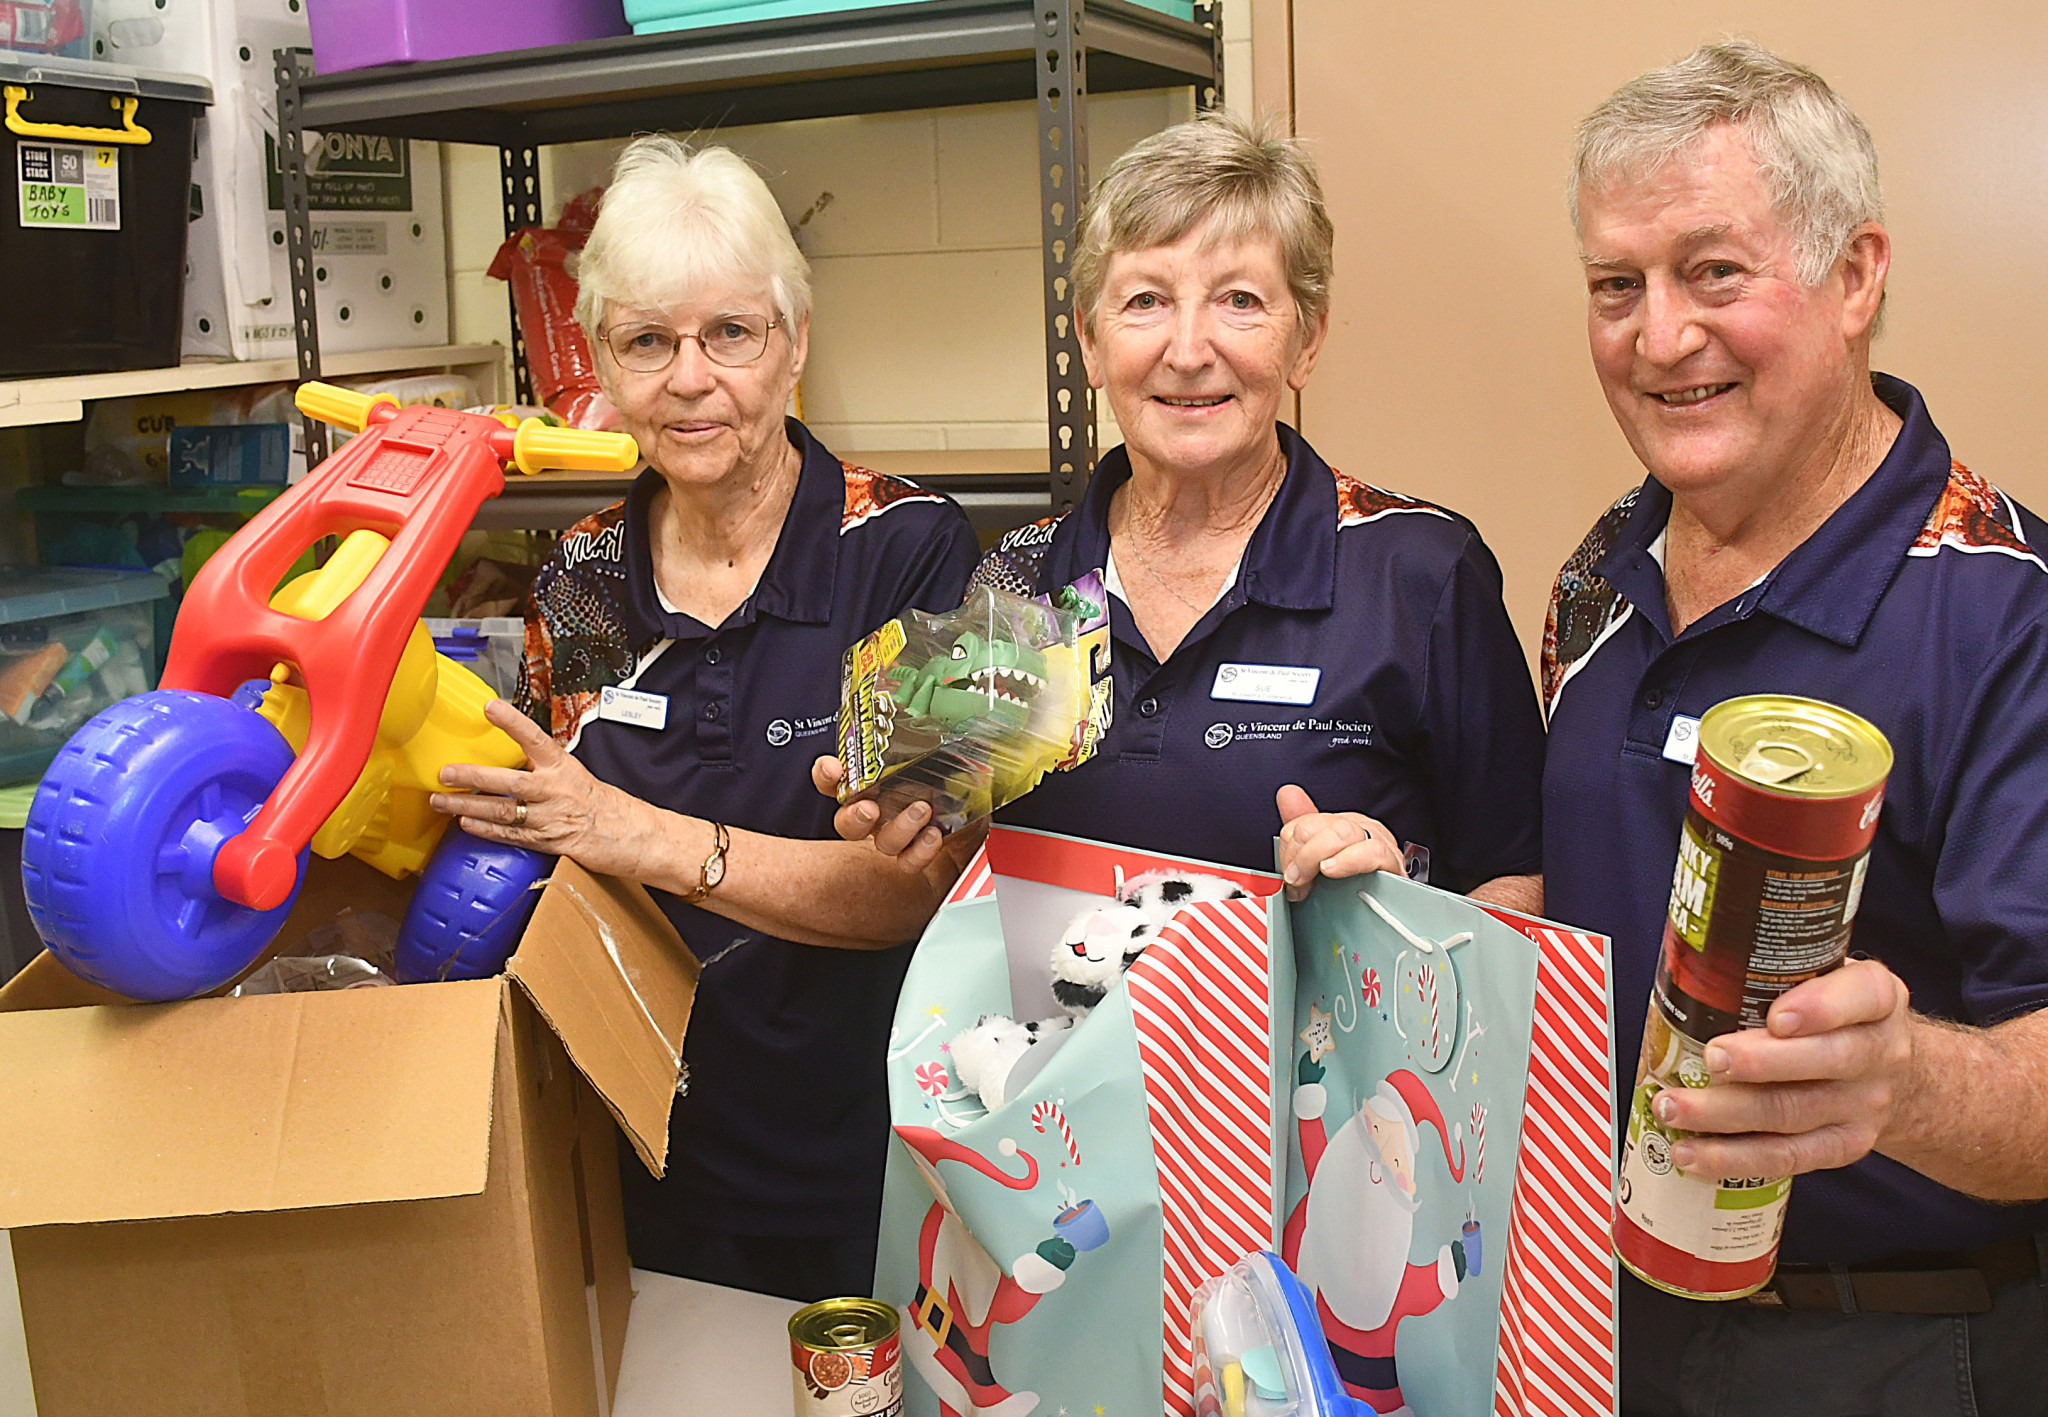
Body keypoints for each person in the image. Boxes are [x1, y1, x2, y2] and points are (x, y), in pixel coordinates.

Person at [1545, 41, 2048, 1415]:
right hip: (1601, 1319)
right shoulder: (1600, 571)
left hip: (1891, 1348)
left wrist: (1906, 1088)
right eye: (1615, 286)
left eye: (1714, 271)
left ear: (1856, 275)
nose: (1657, 337)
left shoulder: (2008, 615)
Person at [431, 135, 980, 1303]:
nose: (689, 378)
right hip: (641, 1153)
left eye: (730, 333)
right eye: (646, 342)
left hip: (878, 1163)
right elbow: (550, 840)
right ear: (605, 366)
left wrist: (643, 835)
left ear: (794, 342)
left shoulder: (919, 549)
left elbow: (913, 890)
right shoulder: (579, 570)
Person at [821, 111, 1545, 913]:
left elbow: (1527, 876)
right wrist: (922, 824)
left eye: (1239, 299)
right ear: (1091, 344)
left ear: (1306, 339)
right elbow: (962, 871)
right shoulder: (1017, 581)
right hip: (1065, 1039)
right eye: (1146, 301)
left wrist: (1405, 891)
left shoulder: (1419, 575)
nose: (1190, 349)